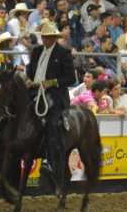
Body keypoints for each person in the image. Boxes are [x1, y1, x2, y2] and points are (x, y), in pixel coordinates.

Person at [27, 21, 75, 193]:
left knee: (53, 122)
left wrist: (52, 82)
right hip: (34, 92)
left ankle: (50, 157)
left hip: (54, 95)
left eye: (49, 37)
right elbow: (30, 72)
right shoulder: (36, 51)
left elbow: (71, 78)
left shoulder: (64, 53)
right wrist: (28, 80)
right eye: (45, 37)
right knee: (14, 111)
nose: (47, 40)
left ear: (54, 38)